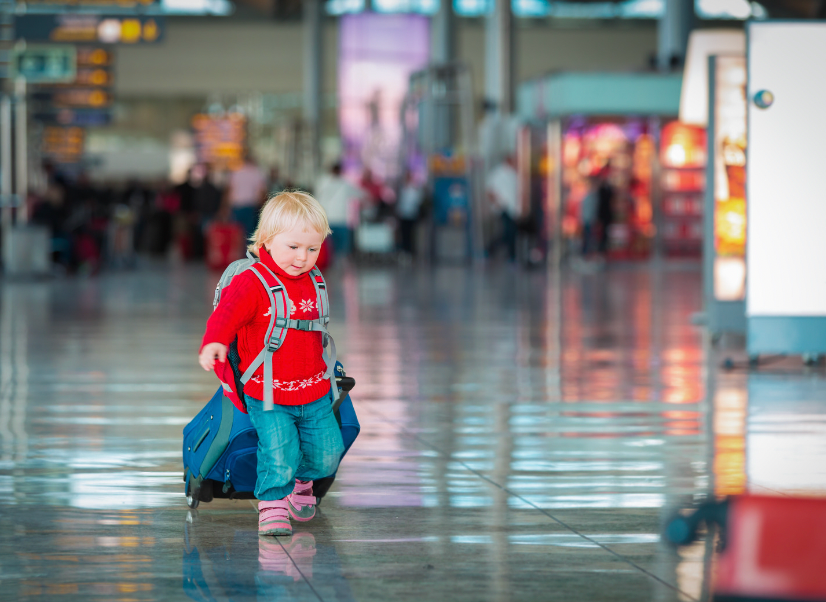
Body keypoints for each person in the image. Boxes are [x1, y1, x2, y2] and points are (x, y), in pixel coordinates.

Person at [198, 191, 344, 537]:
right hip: (267, 392)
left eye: (312, 249)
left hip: (314, 389)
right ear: (266, 239)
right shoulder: (253, 282)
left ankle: (302, 482)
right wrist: (214, 341)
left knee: (328, 453)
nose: (303, 258)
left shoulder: (314, 280)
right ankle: (273, 504)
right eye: (293, 247)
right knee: (278, 451)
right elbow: (225, 315)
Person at [315, 162, 361, 257]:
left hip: (326, 220)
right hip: (341, 220)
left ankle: (330, 267)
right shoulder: (345, 183)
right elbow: (359, 194)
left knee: (327, 249)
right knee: (341, 250)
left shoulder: (322, 182)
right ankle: (339, 267)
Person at [485, 155, 520, 262]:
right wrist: (497, 203)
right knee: (509, 231)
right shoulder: (497, 173)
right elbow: (490, 191)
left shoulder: (515, 174)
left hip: (513, 208)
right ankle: (508, 255)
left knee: (511, 232)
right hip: (502, 207)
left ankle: (510, 255)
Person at [226, 153, 266, 241]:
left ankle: (236, 253)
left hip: (236, 206)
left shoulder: (236, 172)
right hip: (250, 206)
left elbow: (230, 190)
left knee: (236, 232)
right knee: (250, 233)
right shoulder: (257, 173)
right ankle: (248, 253)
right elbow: (261, 192)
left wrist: (226, 207)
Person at [396, 171, 424, 258]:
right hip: (403, 215)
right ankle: (404, 251)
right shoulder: (402, 189)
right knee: (404, 234)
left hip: (412, 215)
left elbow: (418, 201)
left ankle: (410, 252)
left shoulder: (414, 190)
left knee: (411, 234)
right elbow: (400, 202)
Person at [580, 177, 599, 257]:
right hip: (587, 219)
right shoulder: (588, 196)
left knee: (589, 237)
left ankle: (588, 252)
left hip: (589, 219)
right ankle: (586, 252)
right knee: (587, 237)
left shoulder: (592, 196)